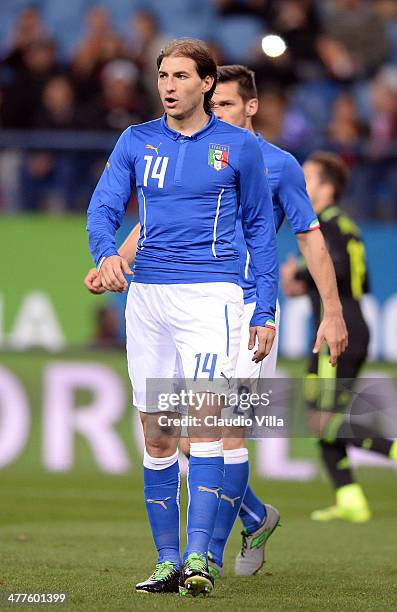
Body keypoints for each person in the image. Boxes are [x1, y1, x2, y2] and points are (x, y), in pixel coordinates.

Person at [85, 64, 348, 578]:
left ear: (250, 106)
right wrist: (113, 258)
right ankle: (253, 515)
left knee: (223, 433)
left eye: (228, 104)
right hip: (179, 298)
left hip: (242, 308)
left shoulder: (276, 164)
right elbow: (160, 215)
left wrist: (332, 311)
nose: (218, 112)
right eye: (217, 104)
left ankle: (206, 557)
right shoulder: (175, 148)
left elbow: (308, 236)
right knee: (180, 435)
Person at [86, 40, 279, 597]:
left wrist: (263, 308)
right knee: (157, 434)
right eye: (163, 76)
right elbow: (103, 206)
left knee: (203, 421)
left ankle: (200, 557)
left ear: (207, 84)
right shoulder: (136, 141)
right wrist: (106, 253)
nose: (169, 86)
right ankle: (167, 562)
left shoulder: (238, 148)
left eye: (180, 76)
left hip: (209, 297)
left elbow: (260, 233)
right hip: (146, 298)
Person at [282, 151, 397, 522]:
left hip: (338, 328)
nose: (301, 184)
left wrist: (299, 277)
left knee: (321, 419)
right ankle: (349, 497)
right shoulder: (344, 225)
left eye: (308, 177)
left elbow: (338, 268)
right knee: (321, 416)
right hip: (346, 324)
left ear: (327, 188)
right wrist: (303, 283)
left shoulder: (327, 226)